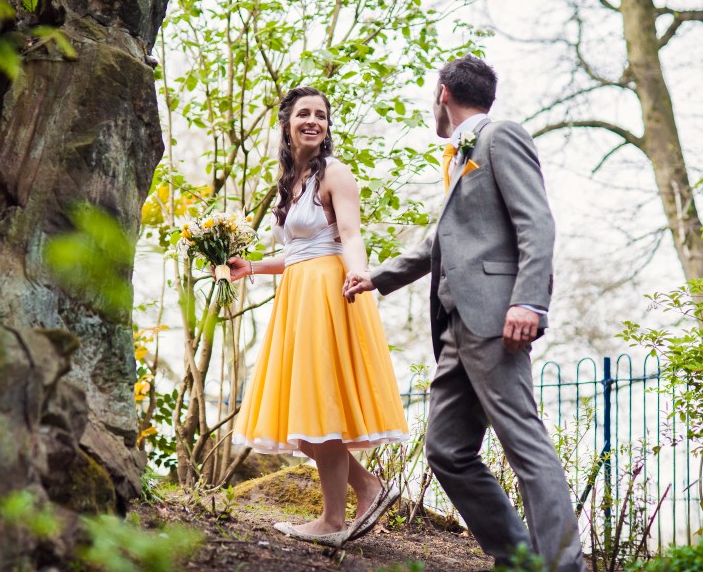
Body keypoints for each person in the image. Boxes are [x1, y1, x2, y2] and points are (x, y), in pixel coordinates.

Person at [344, 55, 585, 572]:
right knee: (447, 449)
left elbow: (537, 223)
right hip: (455, 325)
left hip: (498, 320)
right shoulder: (458, 157)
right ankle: (518, 558)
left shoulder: (501, 138)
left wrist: (528, 301)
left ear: (443, 93)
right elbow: (442, 239)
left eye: (433, 96)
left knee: (525, 444)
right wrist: (378, 276)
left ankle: (564, 566)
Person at [225, 86, 408, 547]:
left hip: (330, 292)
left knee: (317, 406)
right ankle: (367, 487)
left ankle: (332, 519)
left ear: (327, 127)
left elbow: (348, 233)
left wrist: (358, 272)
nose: (313, 121)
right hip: (298, 293)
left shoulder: (336, 174)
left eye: (321, 115)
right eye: (303, 114)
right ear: (287, 124)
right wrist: (252, 266)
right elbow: (297, 253)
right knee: (298, 415)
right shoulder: (289, 181)